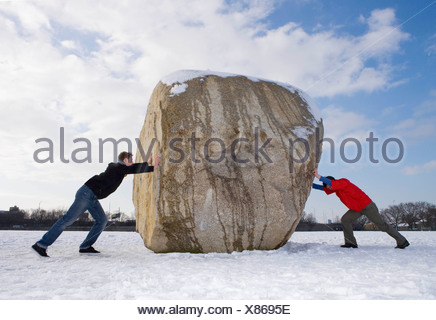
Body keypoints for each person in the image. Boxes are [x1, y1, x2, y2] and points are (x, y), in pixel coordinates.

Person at [32, 151, 160, 257]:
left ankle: (86, 246)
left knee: (102, 221)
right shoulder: (115, 166)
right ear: (125, 160)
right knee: (67, 220)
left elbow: (131, 168)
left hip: (92, 197)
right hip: (86, 194)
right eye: (131, 160)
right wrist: (152, 167)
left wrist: (146, 163)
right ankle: (41, 244)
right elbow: (131, 169)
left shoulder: (120, 169)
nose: (132, 162)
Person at [312, 168, 409, 249]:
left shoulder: (343, 182)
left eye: (329, 185)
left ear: (333, 182)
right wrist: (309, 185)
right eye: (327, 187)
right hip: (356, 209)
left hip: (367, 206)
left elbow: (328, 182)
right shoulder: (336, 189)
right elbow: (321, 188)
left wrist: (318, 175)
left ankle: (402, 241)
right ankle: (351, 243)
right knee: (345, 220)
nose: (329, 188)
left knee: (381, 225)